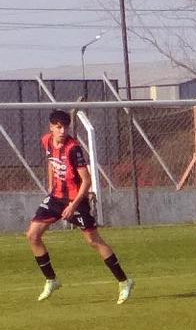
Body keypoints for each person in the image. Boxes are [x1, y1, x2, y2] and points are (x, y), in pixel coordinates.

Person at [25, 110, 134, 304]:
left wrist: (72, 205)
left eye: (65, 126)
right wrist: (51, 187)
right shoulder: (46, 141)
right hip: (56, 198)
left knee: (93, 241)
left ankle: (124, 281)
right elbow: (51, 163)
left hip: (76, 200)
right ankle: (52, 280)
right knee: (32, 235)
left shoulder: (73, 148)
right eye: (58, 126)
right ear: (51, 127)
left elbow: (87, 180)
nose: (62, 130)